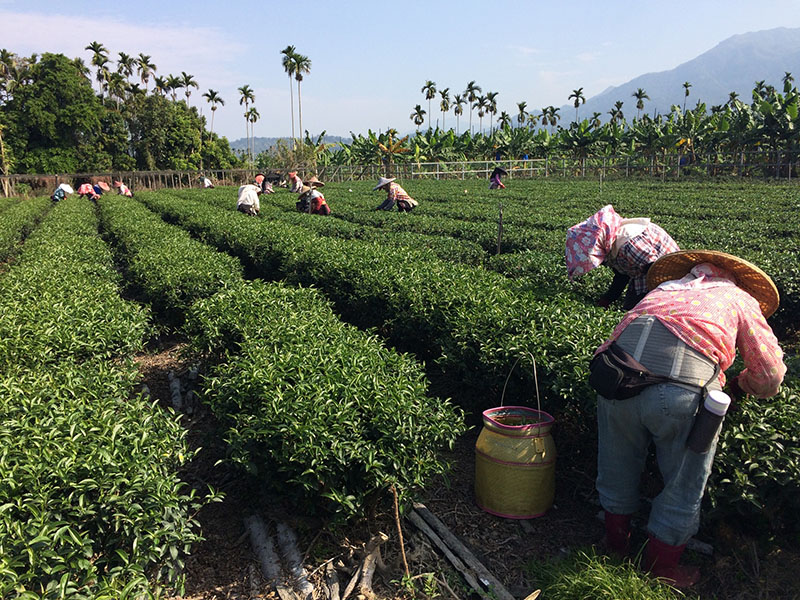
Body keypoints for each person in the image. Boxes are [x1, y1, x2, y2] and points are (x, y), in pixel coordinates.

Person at [592, 250, 786, 588]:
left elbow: (606, 346)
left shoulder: (662, 291)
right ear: (735, 280)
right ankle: (661, 570)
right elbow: (770, 375)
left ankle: (614, 548)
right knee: (684, 482)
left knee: (616, 464)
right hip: (679, 393)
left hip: (616, 384)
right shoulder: (737, 297)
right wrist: (741, 383)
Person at [565, 204, 679, 310]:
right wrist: (608, 298)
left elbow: (656, 269)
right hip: (646, 270)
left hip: (668, 273)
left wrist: (649, 299)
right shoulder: (612, 242)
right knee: (630, 305)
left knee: (636, 311)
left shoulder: (627, 244)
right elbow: (622, 275)